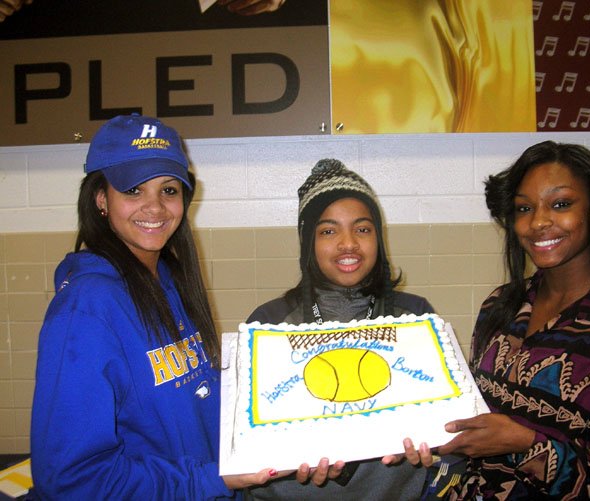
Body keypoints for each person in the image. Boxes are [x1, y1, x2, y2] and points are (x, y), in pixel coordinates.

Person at [29, 114, 322, 499]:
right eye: (134, 189)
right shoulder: (86, 307)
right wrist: (210, 478)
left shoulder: (169, 281)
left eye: (169, 190)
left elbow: (197, 409)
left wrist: (293, 433)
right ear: (101, 199)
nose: (156, 208)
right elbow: (72, 479)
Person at [398, 141, 590, 498]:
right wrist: (426, 433)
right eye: (524, 208)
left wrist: (527, 446)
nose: (538, 222)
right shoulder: (501, 306)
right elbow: (473, 417)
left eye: (561, 204)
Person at [244, 158, 436, 500]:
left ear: (379, 237)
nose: (348, 244)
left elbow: (449, 426)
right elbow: (249, 439)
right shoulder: (270, 324)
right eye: (329, 231)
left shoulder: (416, 317)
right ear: (308, 244)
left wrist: (437, 450)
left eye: (362, 229)